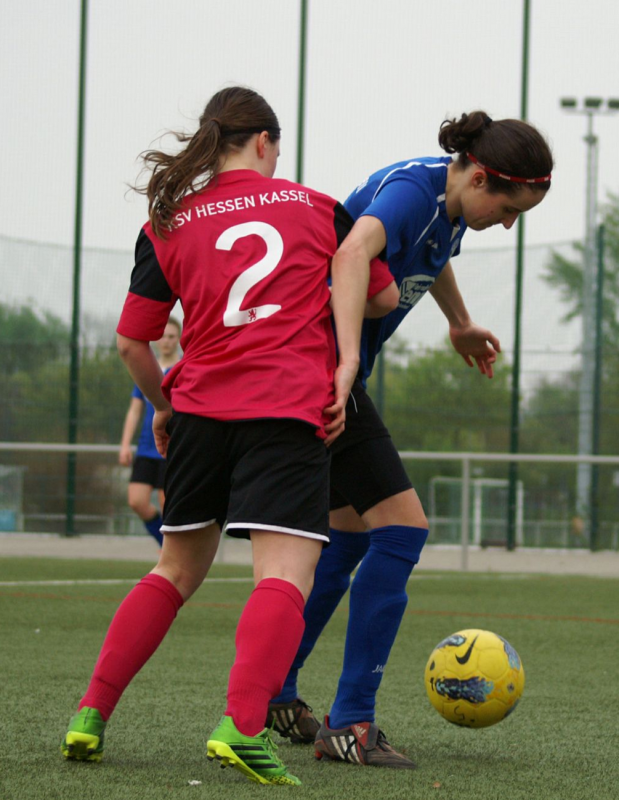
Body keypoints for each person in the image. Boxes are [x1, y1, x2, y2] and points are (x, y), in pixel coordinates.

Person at [60, 86, 395, 786]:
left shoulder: (167, 220)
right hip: (286, 410)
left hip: (200, 415)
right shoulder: (318, 207)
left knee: (173, 571)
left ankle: (90, 714)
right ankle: (241, 727)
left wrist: (165, 406)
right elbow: (381, 295)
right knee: (284, 576)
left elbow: (131, 343)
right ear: (265, 142)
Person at [267, 111, 554, 768]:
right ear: (478, 178)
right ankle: (350, 723)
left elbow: (432, 253)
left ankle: (274, 694)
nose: (508, 224)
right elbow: (350, 253)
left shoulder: (445, 205)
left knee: (348, 536)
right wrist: (346, 362)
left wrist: (458, 322)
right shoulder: (410, 192)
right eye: (509, 209)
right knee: (402, 530)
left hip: (317, 371)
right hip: (316, 370)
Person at [118, 317, 181, 546]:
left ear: (179, 339)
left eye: (171, 336)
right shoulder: (147, 370)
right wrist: (125, 444)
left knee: (167, 505)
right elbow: (135, 410)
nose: (166, 341)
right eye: (163, 336)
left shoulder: (182, 370)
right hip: (146, 448)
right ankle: (165, 547)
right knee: (136, 501)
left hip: (171, 447)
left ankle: (171, 555)